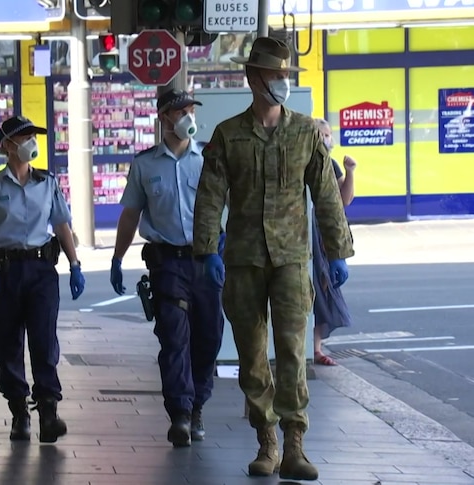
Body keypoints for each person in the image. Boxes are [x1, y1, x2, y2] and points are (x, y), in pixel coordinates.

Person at [192, 38, 354, 481]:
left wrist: (338, 250)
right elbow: (209, 198)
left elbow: (325, 196)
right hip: (243, 260)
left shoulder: (304, 132)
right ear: (253, 79)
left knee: (291, 353)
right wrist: (207, 249)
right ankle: (267, 443)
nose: (283, 82)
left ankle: (296, 444)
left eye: (287, 76)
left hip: (291, 261)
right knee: (251, 355)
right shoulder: (229, 135)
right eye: (276, 76)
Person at [109, 90, 225, 448]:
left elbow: (231, 206)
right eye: (181, 111)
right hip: (167, 263)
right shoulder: (145, 165)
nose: (188, 116)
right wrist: (117, 257)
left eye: (191, 110)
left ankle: (198, 405)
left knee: (208, 337)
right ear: (164, 118)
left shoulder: (208, 158)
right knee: (174, 338)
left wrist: (226, 250)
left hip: (206, 260)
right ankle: (180, 413)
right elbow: (131, 213)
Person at [0, 115, 85, 444]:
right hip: (4, 271)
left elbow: (61, 224)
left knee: (43, 340)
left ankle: (48, 412)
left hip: (40, 271)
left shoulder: (47, 183)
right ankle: (19, 410)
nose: (30, 143)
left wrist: (75, 263)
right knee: (7, 343)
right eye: (23, 137)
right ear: (7, 145)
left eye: (33, 136)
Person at [312, 118, 356, 366]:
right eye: (323, 135)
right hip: (306, 232)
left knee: (325, 289)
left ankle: (316, 348)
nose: (328, 139)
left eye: (329, 135)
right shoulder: (306, 163)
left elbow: (344, 199)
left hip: (325, 236)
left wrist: (350, 171)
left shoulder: (331, 165)